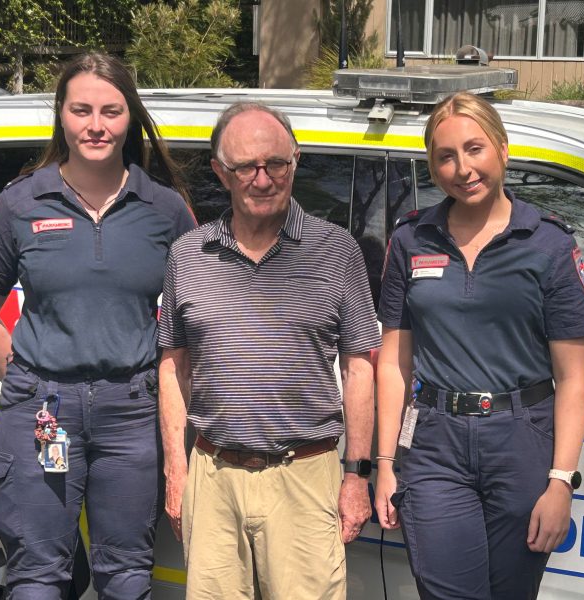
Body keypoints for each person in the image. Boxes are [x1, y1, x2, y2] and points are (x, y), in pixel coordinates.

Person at [0, 52, 196, 599]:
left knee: (128, 573)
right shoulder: (22, 203)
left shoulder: (164, 210)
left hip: (131, 418)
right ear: (62, 116)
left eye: (111, 111)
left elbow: (191, 320)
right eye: (82, 109)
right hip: (47, 416)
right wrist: (27, 382)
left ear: (129, 118)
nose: (96, 125)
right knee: (40, 575)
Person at [158, 102, 381, 599]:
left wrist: (356, 476)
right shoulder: (188, 255)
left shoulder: (336, 251)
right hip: (213, 477)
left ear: (294, 161)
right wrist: (177, 472)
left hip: (304, 476)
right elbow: (174, 366)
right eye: (245, 167)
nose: (262, 179)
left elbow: (361, 367)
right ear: (221, 172)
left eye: (275, 164)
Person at [374, 92, 584, 600]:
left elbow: (574, 378)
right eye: (446, 156)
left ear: (502, 149)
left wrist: (561, 482)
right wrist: (385, 465)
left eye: (475, 149)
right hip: (434, 446)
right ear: (432, 165)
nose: (462, 168)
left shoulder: (548, 244)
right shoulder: (411, 239)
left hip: (521, 442)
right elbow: (393, 364)